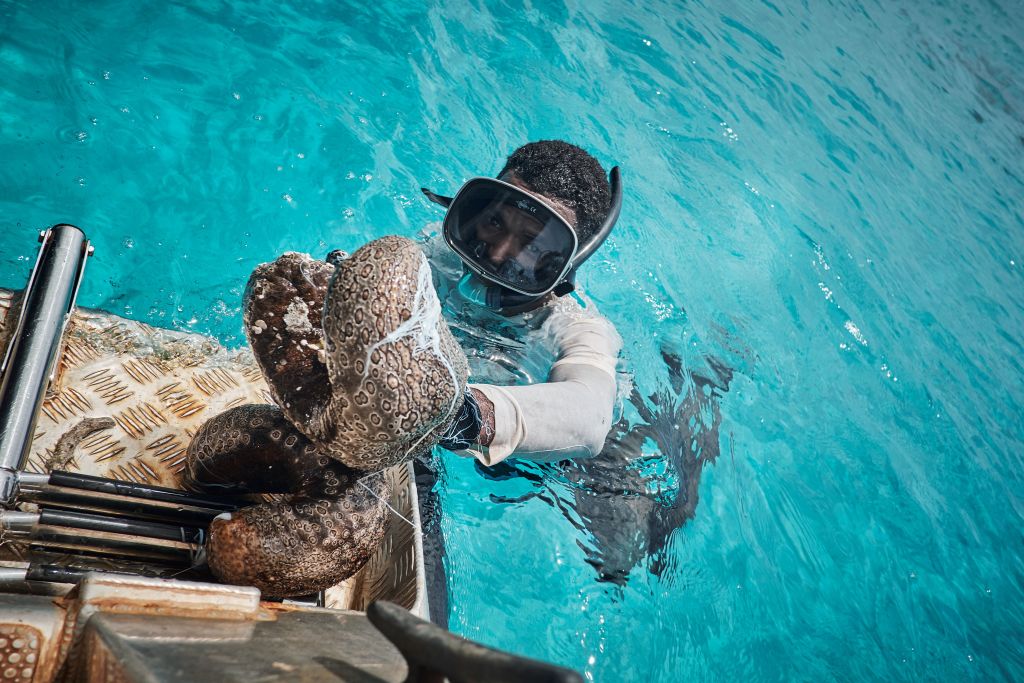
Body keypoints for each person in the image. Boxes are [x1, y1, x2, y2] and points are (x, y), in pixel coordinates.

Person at [419, 139, 624, 466]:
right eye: (495, 222)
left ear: (565, 267)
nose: (497, 253)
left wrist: (460, 415)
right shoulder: (443, 253)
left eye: (532, 246)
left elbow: (591, 418)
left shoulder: (577, 327)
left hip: (589, 465)